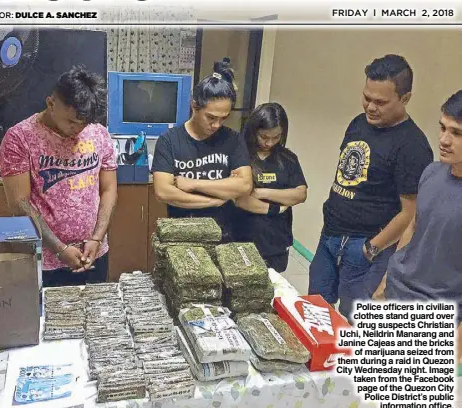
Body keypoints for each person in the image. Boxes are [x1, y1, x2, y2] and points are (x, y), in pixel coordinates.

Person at [308, 54, 433, 322]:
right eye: (367, 97)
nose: (370, 107)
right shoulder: (357, 123)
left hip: (366, 247)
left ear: (405, 98)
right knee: (315, 313)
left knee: (354, 325)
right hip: (330, 236)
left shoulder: (413, 145)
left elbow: (410, 212)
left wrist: (371, 249)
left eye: (381, 102)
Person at [377, 91, 462, 408]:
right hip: (399, 291)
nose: (443, 139)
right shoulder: (432, 173)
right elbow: (413, 226)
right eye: (442, 127)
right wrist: (386, 281)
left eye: (456, 133)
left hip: (437, 310)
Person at [0, 65, 118, 287]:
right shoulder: (20, 138)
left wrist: (97, 238)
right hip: (46, 261)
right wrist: (59, 249)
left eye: (84, 123)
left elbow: (108, 189)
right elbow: (19, 203)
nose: (78, 130)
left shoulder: (99, 134)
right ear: (51, 103)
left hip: (94, 253)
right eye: (72, 121)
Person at [151, 58, 253, 240]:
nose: (216, 125)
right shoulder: (169, 140)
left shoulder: (233, 139)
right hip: (181, 235)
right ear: (194, 106)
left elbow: (244, 185)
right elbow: (163, 191)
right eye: (211, 117)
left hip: (224, 234)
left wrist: (194, 184)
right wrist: (215, 200)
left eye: (224, 118)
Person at [233, 103, 307, 273]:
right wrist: (277, 208)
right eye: (264, 137)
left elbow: (300, 194)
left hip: (276, 242)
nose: (269, 142)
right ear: (254, 131)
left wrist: (261, 192)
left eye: (276, 137)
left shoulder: (288, 158)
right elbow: (241, 200)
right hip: (242, 238)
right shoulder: (240, 154)